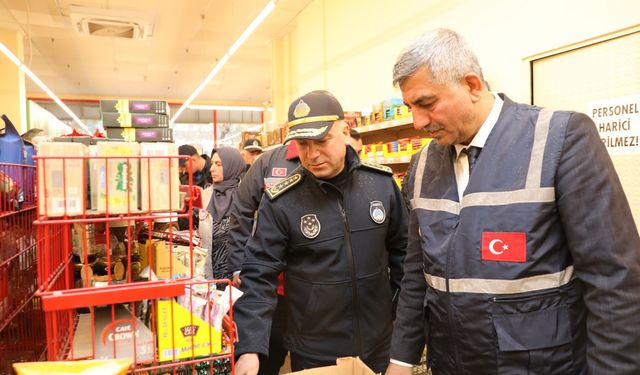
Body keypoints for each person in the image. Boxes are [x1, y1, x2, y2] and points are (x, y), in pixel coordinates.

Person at [386, 28, 640, 375]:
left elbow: (614, 281)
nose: (418, 121)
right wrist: (401, 359)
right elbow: (417, 276)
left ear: (472, 85)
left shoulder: (562, 141)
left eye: (427, 103)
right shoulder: (422, 165)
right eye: (410, 107)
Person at [233, 90, 408, 375]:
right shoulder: (282, 201)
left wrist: (404, 332)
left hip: (380, 344)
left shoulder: (381, 186)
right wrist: (250, 348)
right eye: (303, 144)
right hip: (315, 352)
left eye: (322, 141)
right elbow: (258, 275)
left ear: (345, 131)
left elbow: (405, 259)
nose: (312, 155)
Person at [201, 147, 245, 282]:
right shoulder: (204, 196)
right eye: (212, 163)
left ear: (232, 165)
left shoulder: (246, 196)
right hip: (210, 275)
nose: (212, 169)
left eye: (218, 164)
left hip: (240, 275)